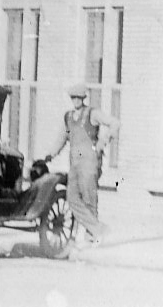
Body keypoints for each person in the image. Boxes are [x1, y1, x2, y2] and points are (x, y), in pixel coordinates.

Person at [45, 86, 109, 244]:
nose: (76, 101)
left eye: (78, 98)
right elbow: (63, 137)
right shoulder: (69, 117)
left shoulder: (92, 114)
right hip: (74, 164)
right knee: (72, 198)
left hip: (89, 163)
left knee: (89, 198)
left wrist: (101, 144)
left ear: (83, 99)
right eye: (73, 98)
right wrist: (51, 154)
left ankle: (92, 235)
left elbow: (114, 123)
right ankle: (97, 228)